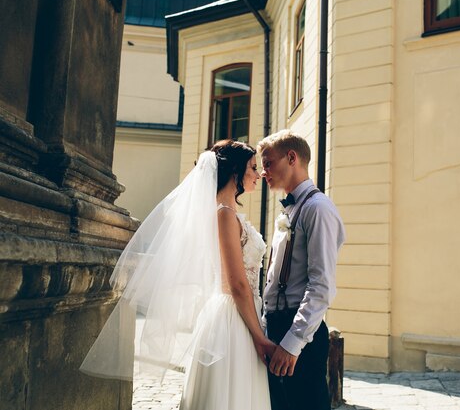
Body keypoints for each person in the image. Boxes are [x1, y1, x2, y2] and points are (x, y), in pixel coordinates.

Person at [80, 140, 274, 410]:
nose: (259, 173)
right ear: (235, 172)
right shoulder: (225, 215)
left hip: (239, 313)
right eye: (253, 167)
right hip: (234, 319)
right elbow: (237, 284)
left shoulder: (226, 212)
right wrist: (259, 337)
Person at [257, 130, 345, 410]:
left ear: (291, 158)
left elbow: (322, 285)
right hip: (275, 328)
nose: (263, 172)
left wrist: (292, 343)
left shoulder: (318, 209)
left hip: (299, 333)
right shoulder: (287, 212)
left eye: (268, 163)